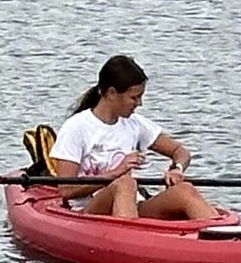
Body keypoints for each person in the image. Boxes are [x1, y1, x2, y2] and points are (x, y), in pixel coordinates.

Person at [47, 54, 222, 221]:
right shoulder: (77, 127)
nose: (139, 103)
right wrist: (115, 173)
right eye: (134, 97)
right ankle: (129, 240)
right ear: (112, 93)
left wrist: (177, 168)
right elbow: (66, 190)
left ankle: (226, 238)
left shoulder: (135, 124)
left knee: (185, 190)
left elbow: (179, 151)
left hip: (131, 203)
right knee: (124, 183)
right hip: (89, 210)